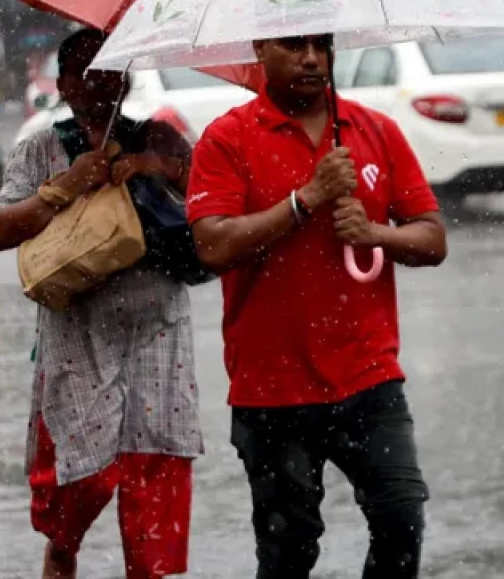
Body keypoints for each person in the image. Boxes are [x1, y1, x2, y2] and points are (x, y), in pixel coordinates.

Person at [185, 34, 448, 579]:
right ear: (261, 50)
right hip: (272, 388)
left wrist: (376, 234)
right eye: (292, 45)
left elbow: (431, 238)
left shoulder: (375, 130)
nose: (310, 58)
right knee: (290, 552)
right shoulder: (227, 138)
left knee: (401, 521)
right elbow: (212, 246)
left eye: (320, 45)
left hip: (369, 375)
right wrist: (305, 200)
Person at [0, 28, 203, 579]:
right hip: (76, 337)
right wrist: (64, 187)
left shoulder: (159, 137)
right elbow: (1, 229)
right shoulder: (39, 148)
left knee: (155, 479)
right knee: (75, 487)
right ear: (62, 84)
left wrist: (161, 168)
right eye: (83, 71)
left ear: (126, 78)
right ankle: (61, 558)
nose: (98, 80)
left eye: (109, 68)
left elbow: (214, 203)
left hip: (158, 335)